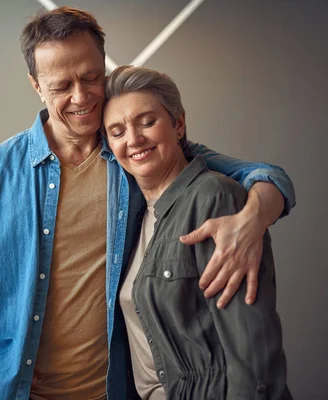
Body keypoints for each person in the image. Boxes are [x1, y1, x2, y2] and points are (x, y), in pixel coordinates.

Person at [0, 7, 295, 400]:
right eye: (61, 85)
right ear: (36, 86)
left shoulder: (135, 154)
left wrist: (251, 221)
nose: (80, 96)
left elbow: (265, 175)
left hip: (115, 390)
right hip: (22, 390)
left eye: (90, 77)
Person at [103, 65, 292, 399]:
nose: (133, 139)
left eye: (147, 122)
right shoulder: (131, 215)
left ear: (178, 124)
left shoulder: (214, 198)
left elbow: (253, 354)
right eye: (117, 132)